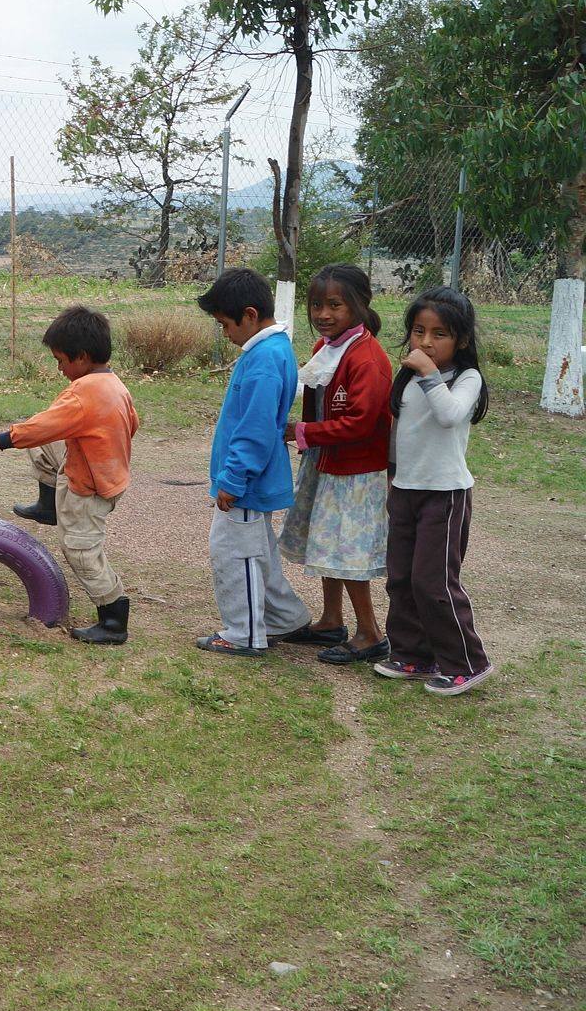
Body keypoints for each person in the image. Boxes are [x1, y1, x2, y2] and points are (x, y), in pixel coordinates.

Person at [0, 305, 139, 644]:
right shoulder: (114, 385)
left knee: (80, 549)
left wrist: (3, 438)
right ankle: (48, 505)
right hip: (107, 470)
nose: (59, 368)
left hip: (89, 487)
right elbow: (131, 424)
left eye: (61, 361)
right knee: (44, 447)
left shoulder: (83, 392)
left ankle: (113, 619)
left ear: (81, 357)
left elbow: (44, 425)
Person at [277, 264, 393, 665]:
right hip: (326, 462)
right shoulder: (325, 348)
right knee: (326, 542)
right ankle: (330, 620)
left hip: (355, 472)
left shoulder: (367, 358)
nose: (323, 314)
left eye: (334, 305)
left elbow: (361, 422)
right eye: (316, 305)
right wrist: (309, 436)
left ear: (360, 305)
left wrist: (304, 431)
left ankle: (370, 632)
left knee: (346, 551)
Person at [379, 288, 493, 696]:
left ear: (461, 340)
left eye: (439, 334)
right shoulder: (410, 378)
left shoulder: (467, 378)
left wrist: (428, 372)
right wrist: (392, 477)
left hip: (444, 495)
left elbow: (448, 416)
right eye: (418, 331)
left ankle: (467, 663)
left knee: (434, 582)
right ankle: (413, 655)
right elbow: (400, 431)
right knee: (401, 578)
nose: (425, 342)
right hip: (405, 490)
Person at [194, 267, 311, 656]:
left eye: (225, 325)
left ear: (249, 315)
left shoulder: (264, 358)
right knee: (260, 552)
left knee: (235, 553)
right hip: (254, 478)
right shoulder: (273, 350)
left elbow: (255, 428)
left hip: (246, 483)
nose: (225, 333)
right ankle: (285, 617)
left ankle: (243, 634)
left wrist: (233, 479)